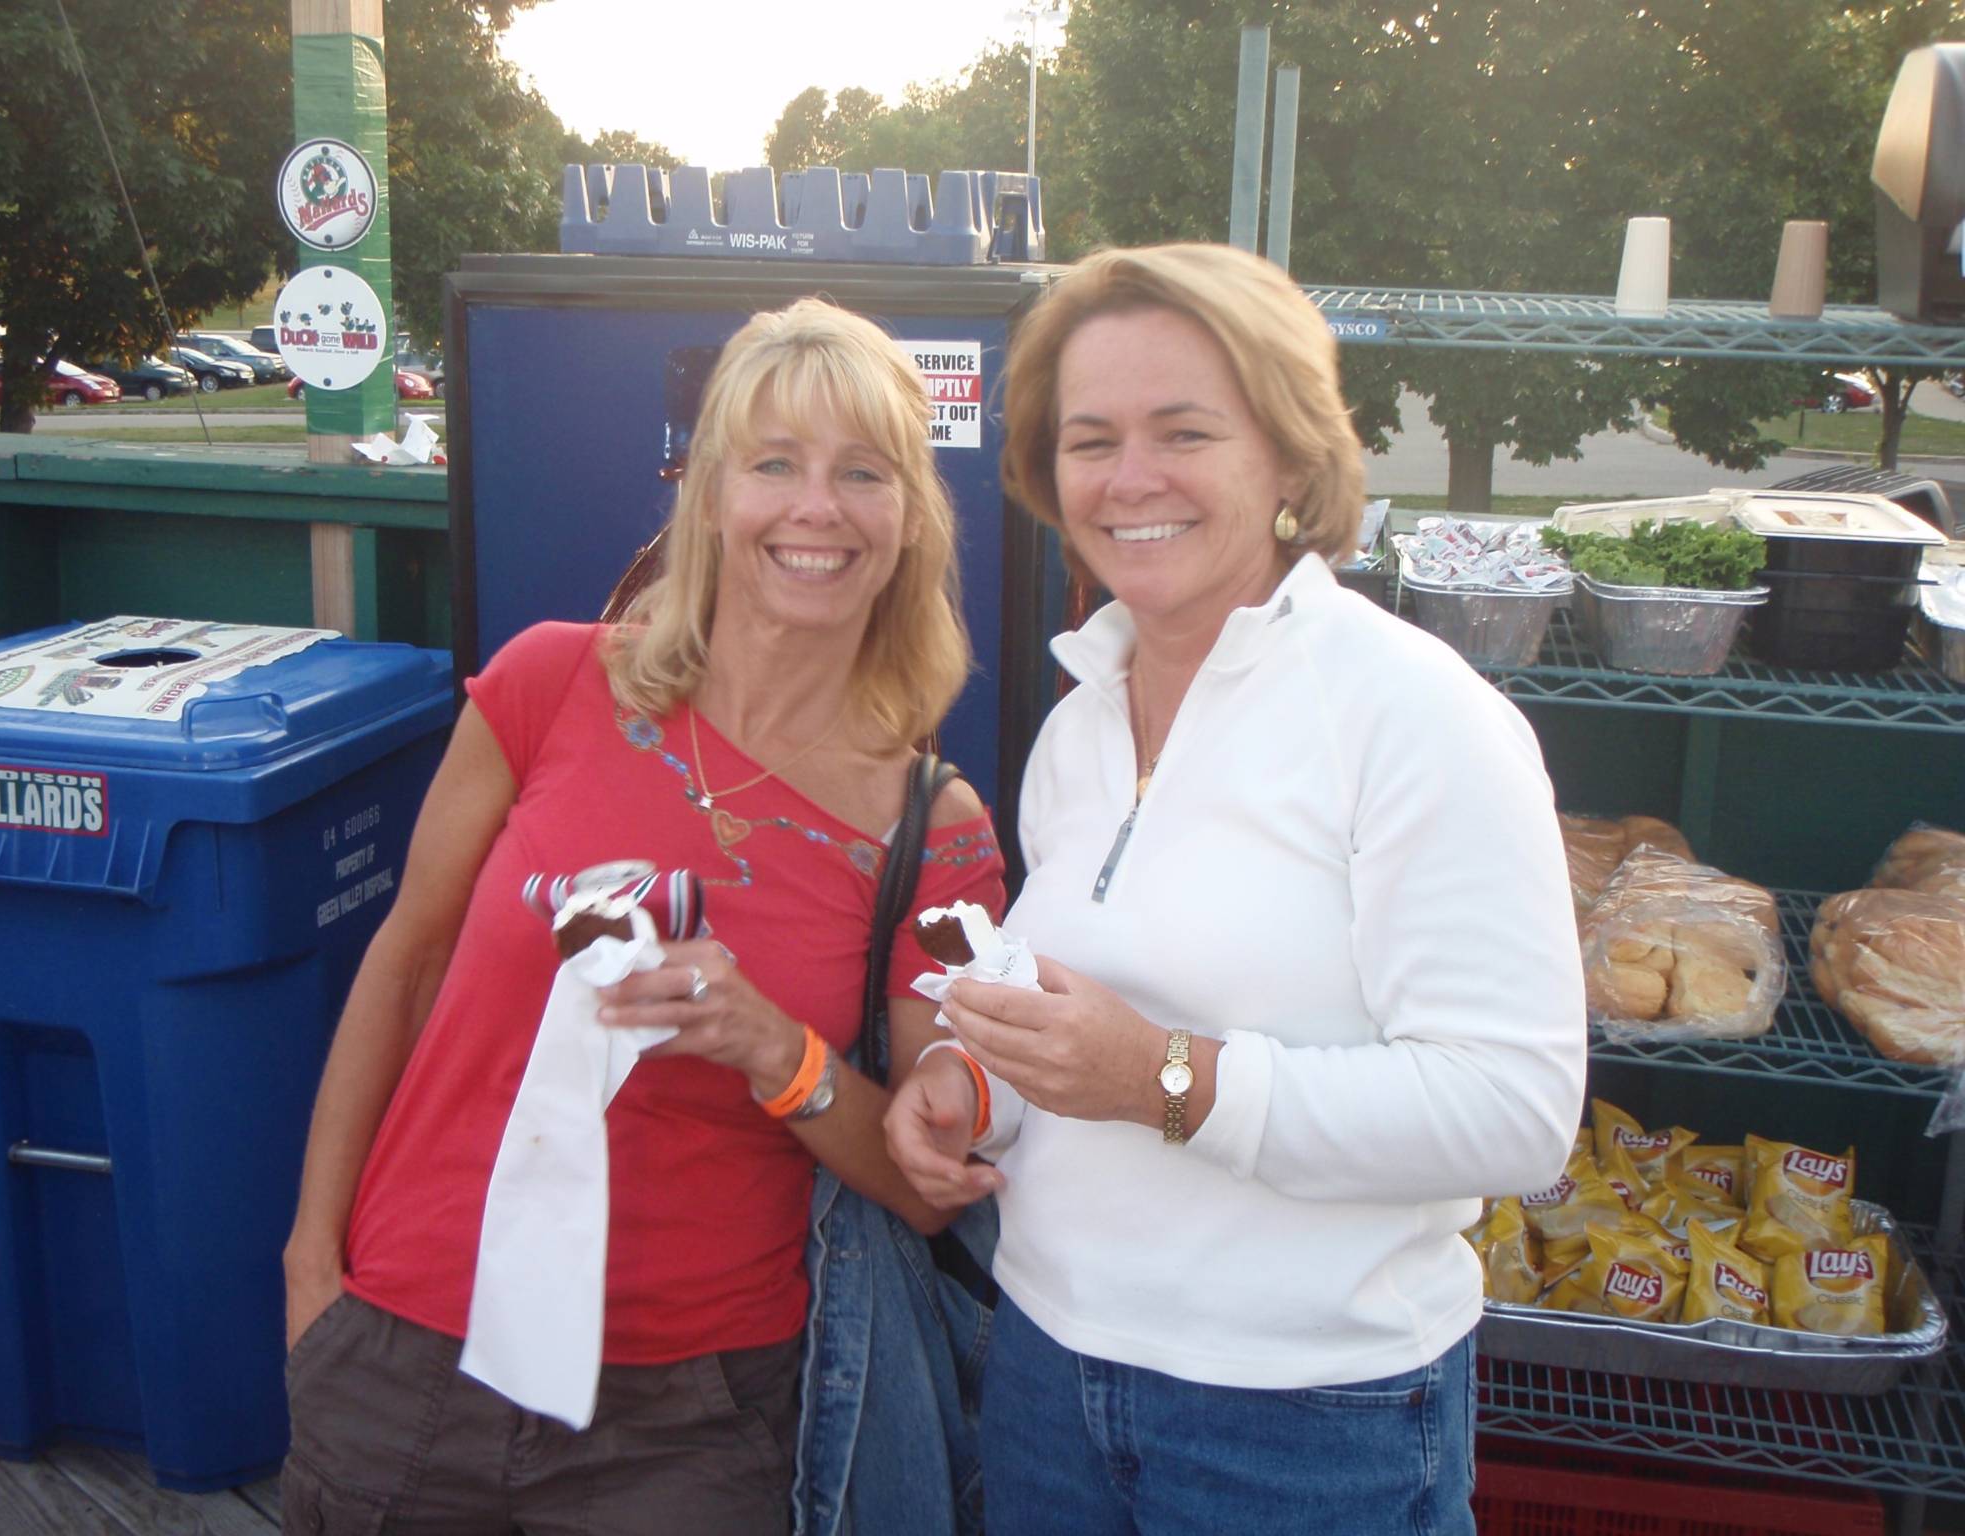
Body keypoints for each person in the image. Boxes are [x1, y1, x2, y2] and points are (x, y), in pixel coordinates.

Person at [884, 243, 1586, 1536]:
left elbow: (1515, 1115)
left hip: (1305, 1425)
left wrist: (1164, 1079)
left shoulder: (1415, 717)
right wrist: (975, 1089)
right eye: (1090, 440)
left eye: (1185, 432)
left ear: (1291, 460)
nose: (1129, 478)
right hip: (1043, 1371)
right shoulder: (1080, 721)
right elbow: (1089, 1016)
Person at [280, 297, 1004, 1536]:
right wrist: (311, 1267)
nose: (814, 508)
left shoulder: (935, 834)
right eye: (772, 465)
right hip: (406, 1346)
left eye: (861, 472)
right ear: (711, 496)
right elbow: (403, 966)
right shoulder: (547, 682)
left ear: (910, 520)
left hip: (690, 1420)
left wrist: (777, 1052)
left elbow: (927, 1184)